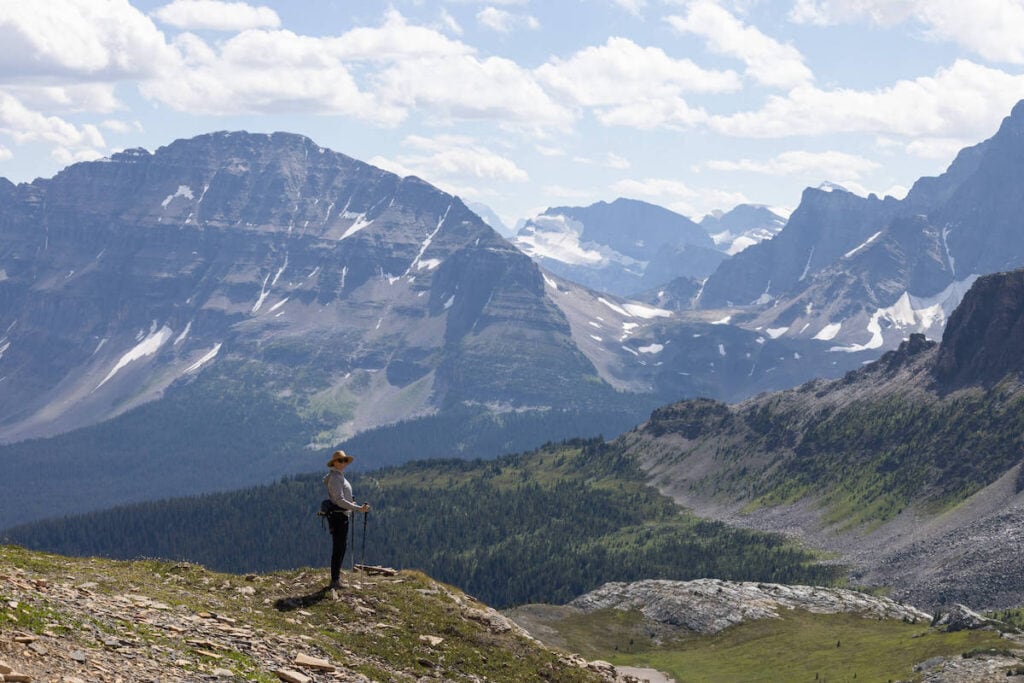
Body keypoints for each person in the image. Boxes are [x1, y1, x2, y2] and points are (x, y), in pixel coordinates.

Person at [323, 449, 371, 588]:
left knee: (341, 547)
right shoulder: (335, 478)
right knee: (339, 548)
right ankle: (335, 580)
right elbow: (339, 500)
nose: (343, 463)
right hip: (339, 516)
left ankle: (336, 578)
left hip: (341, 515)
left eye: (344, 460)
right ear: (334, 463)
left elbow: (342, 499)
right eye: (340, 460)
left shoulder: (338, 476)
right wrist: (356, 508)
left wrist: (352, 505)